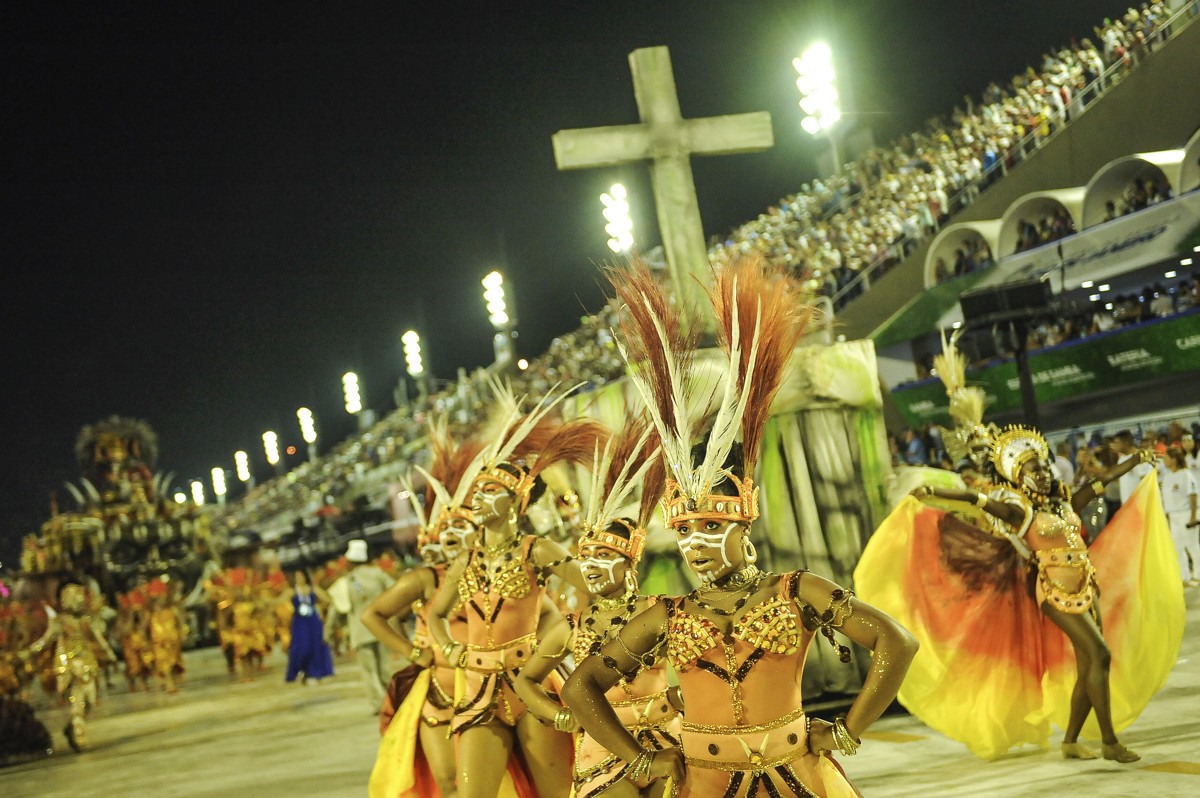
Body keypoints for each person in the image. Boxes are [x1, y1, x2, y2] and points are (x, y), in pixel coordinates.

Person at [564, 256, 918, 797]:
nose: (695, 545)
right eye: (685, 532)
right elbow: (580, 687)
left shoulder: (796, 591)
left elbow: (897, 641)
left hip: (798, 777)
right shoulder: (667, 614)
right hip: (703, 783)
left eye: (710, 526)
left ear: (743, 525)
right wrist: (639, 760)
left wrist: (848, 729)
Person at [866, 424, 1183, 762]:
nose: (1043, 474)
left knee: (1089, 662)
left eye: (1044, 468)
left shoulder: (1066, 502)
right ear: (1019, 477)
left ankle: (1071, 741)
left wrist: (1136, 459)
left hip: (1086, 585)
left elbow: (1101, 481)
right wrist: (932, 491)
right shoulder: (1021, 512)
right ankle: (1110, 742)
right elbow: (976, 499)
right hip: (1053, 591)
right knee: (1100, 655)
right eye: (1034, 470)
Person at [428, 380, 607, 798]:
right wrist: (449, 648)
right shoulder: (464, 560)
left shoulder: (537, 550)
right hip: (477, 689)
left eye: (490, 491)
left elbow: (597, 586)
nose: (477, 499)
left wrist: (571, 634)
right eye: (477, 491)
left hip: (532, 685)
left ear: (517, 502)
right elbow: (436, 613)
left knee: (557, 792)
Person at [515, 415, 681, 798]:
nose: (590, 566)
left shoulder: (659, 611)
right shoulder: (571, 627)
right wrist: (559, 715)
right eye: (585, 557)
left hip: (668, 737)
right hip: (601, 751)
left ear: (628, 564)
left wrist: (681, 697)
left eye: (603, 556)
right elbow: (526, 680)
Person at [364, 424, 489, 798]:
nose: (454, 538)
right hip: (438, 690)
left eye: (463, 528)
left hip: (489, 689)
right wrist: (410, 651)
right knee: (448, 782)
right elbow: (372, 615)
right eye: (448, 531)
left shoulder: (497, 575)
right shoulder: (425, 579)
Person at [22, 582, 117, 751]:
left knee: (89, 700)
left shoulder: (86, 620)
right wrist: (30, 652)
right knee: (78, 698)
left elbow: (98, 638)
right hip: (70, 665)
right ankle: (79, 734)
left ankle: (72, 726)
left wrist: (110, 655)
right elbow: (47, 639)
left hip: (88, 663)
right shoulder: (60, 621)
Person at [326, 539, 395, 711]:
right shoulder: (378, 574)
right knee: (385, 669)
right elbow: (395, 590)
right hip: (381, 628)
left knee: (369, 671)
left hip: (360, 631)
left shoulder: (346, 582)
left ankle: (379, 705)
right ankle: (395, 700)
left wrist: (328, 631)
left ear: (350, 561)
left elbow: (335, 610)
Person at [284, 569, 334, 686]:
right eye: (297, 576)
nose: (299, 579)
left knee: (316, 647)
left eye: (301, 576)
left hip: (313, 622)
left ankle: (317, 673)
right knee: (302, 648)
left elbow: (328, 599)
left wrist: (323, 608)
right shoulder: (292, 591)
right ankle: (303, 671)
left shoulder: (313, 589)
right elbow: (278, 601)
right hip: (300, 623)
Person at [1160, 445, 1199, 585]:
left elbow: (1193, 495)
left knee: (1191, 545)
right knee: (1177, 547)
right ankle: (1184, 575)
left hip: (1186, 513)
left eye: (1166, 458)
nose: (1164, 461)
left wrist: (1193, 516)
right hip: (1173, 515)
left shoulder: (1186, 475)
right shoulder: (1168, 476)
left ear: (1174, 459)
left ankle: (1198, 573)